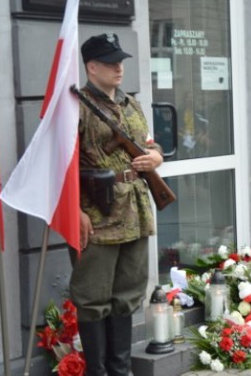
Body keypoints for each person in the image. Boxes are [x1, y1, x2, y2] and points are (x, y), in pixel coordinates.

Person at [70, 32, 164, 375]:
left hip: (135, 212)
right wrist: (74, 212)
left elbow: (151, 144)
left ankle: (120, 371)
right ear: (91, 67)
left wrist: (155, 159)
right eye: (110, 62)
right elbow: (60, 167)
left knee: (127, 295)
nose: (118, 68)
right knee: (93, 300)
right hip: (96, 215)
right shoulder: (76, 106)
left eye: (120, 61)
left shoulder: (131, 104)